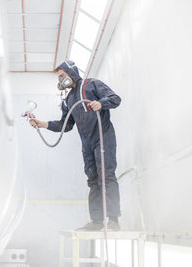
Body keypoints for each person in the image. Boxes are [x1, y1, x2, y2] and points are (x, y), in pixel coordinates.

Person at [29, 60, 122, 231]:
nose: (60, 80)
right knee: (93, 179)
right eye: (59, 77)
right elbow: (66, 125)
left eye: (62, 76)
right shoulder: (68, 100)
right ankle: (97, 221)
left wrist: (101, 103)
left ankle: (114, 220)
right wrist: (43, 124)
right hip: (86, 144)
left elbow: (115, 99)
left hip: (103, 137)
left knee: (106, 175)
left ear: (71, 73)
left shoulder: (91, 84)